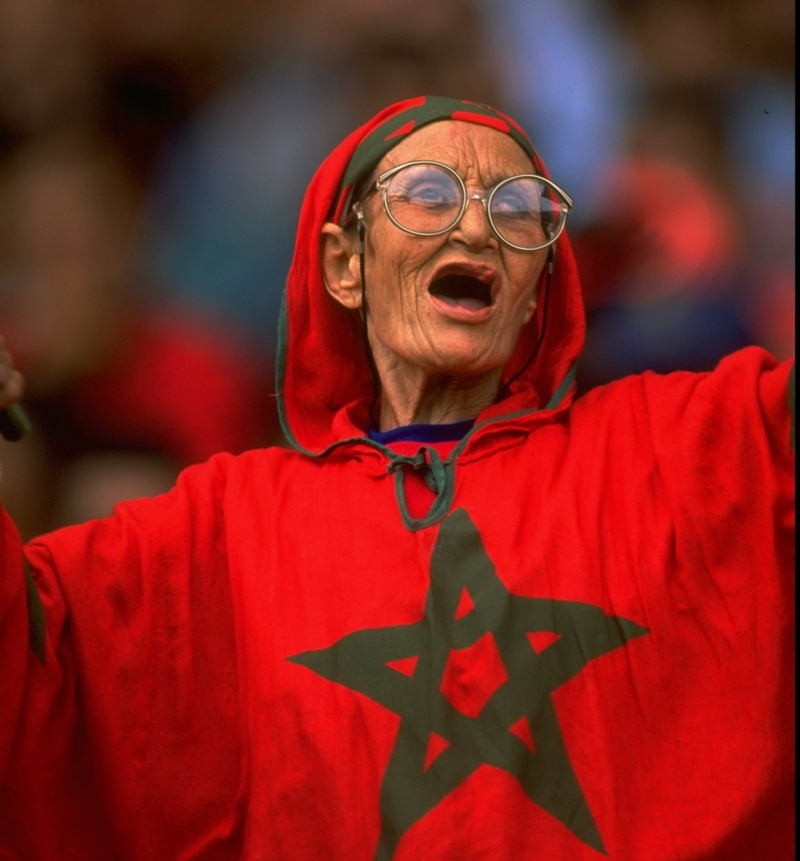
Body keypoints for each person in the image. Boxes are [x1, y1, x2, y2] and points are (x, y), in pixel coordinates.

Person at [0, 96, 794, 860]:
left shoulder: (682, 446)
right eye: (427, 194)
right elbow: (27, 666)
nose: (480, 228)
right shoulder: (223, 529)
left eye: (521, 209)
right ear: (345, 265)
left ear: (536, 294)